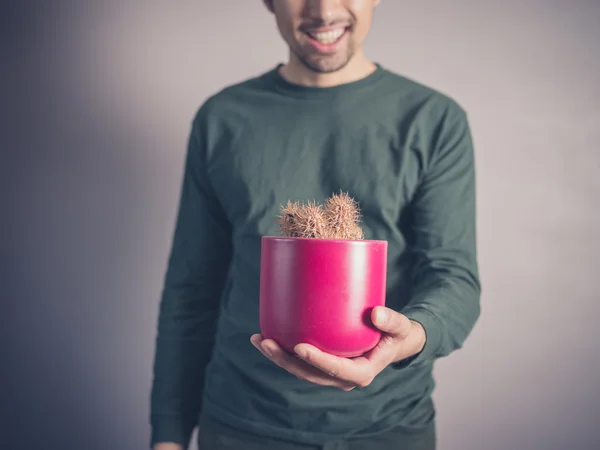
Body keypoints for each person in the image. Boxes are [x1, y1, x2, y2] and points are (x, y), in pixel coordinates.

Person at [149, 1, 481, 449]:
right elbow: (191, 289)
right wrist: (168, 434)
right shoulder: (222, 119)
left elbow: (453, 277)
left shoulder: (434, 120)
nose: (323, 11)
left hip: (388, 425)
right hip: (241, 424)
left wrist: (411, 337)